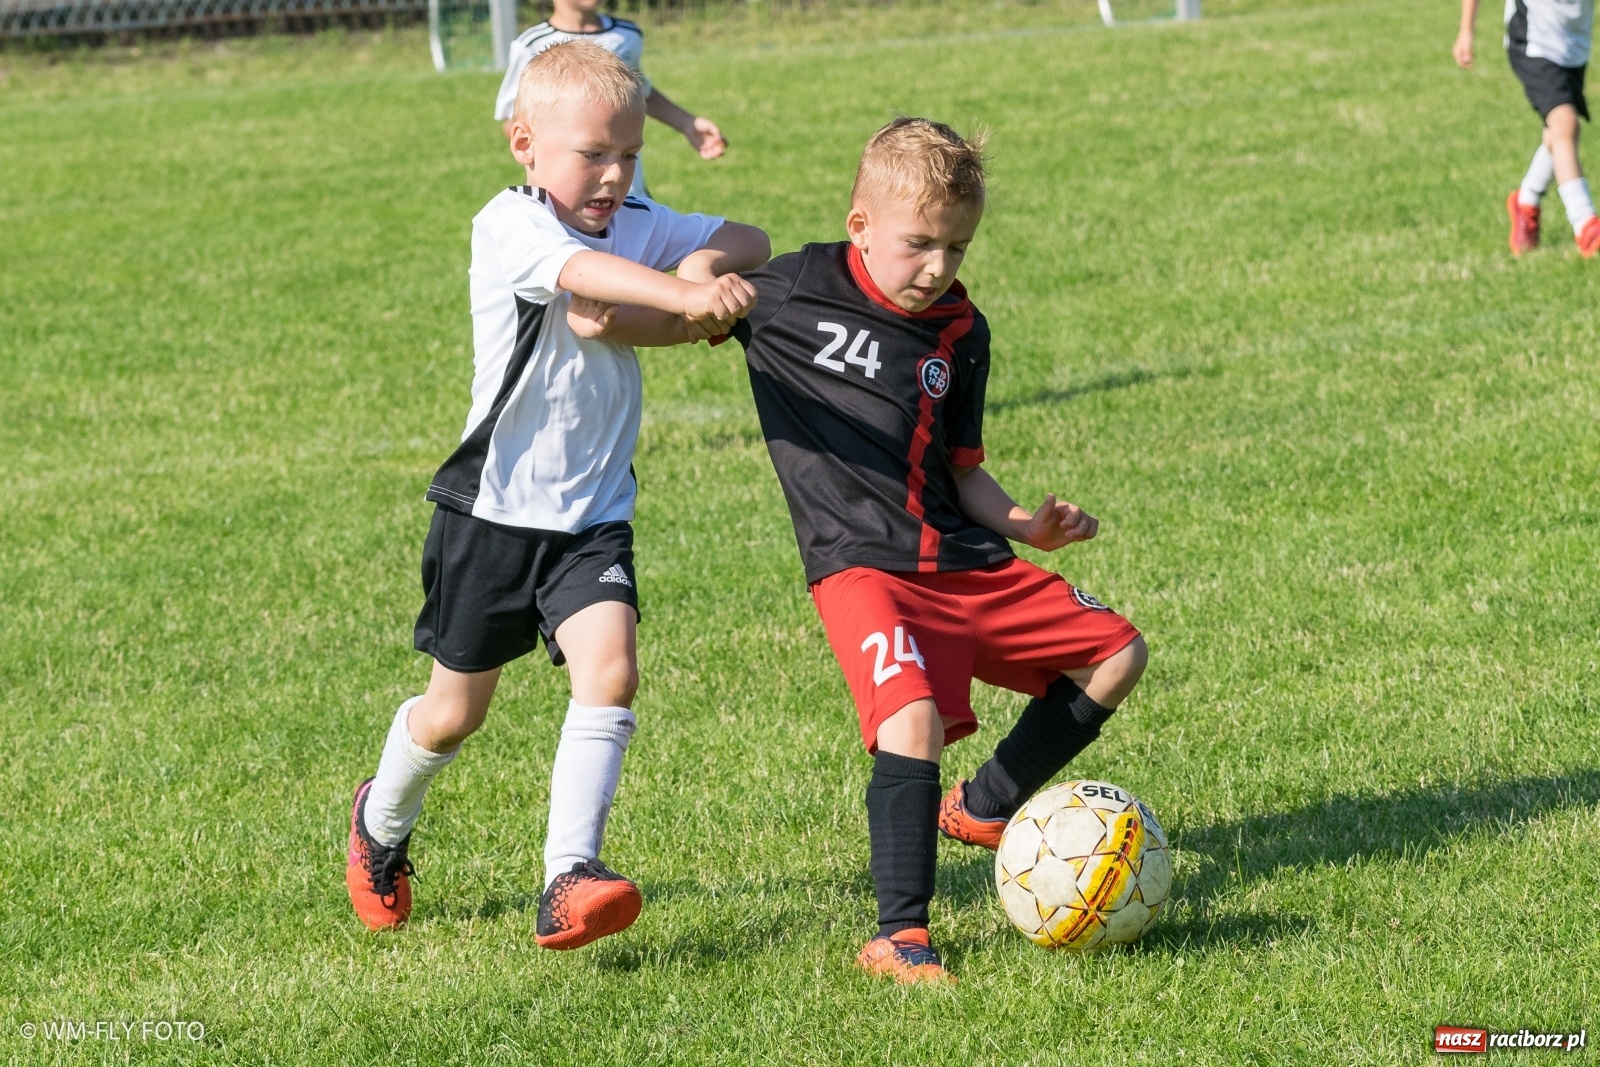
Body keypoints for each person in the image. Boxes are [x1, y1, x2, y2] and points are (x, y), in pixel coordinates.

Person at [580, 118, 1147, 983]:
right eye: (919, 244)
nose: (937, 268)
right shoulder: (794, 288)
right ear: (861, 228)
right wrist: (621, 314)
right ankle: (902, 934)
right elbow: (687, 314)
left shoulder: (961, 330)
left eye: (956, 248)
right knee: (910, 718)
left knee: (1117, 652)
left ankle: (986, 805)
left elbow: (965, 476)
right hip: (863, 569)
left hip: (960, 558)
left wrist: (1027, 525)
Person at [344, 41, 769, 950]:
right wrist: (677, 299)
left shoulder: (635, 221)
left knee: (610, 669)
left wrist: (695, 277)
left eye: (627, 154)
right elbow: (582, 280)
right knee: (454, 713)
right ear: (524, 143)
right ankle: (379, 825)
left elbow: (749, 241)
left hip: (592, 516)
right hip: (493, 511)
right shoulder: (510, 225)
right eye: (592, 155)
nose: (614, 175)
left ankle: (568, 877)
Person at [493, 0, 727, 199]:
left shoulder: (627, 35)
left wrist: (687, 123)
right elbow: (512, 117)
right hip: (568, 197)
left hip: (627, 188)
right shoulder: (531, 44)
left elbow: (639, 93)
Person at [1456, 0, 1600, 256]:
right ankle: (1586, 226)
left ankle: (1526, 202)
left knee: (1558, 132)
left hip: (1574, 44)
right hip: (1534, 40)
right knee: (1565, 122)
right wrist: (1466, 30)